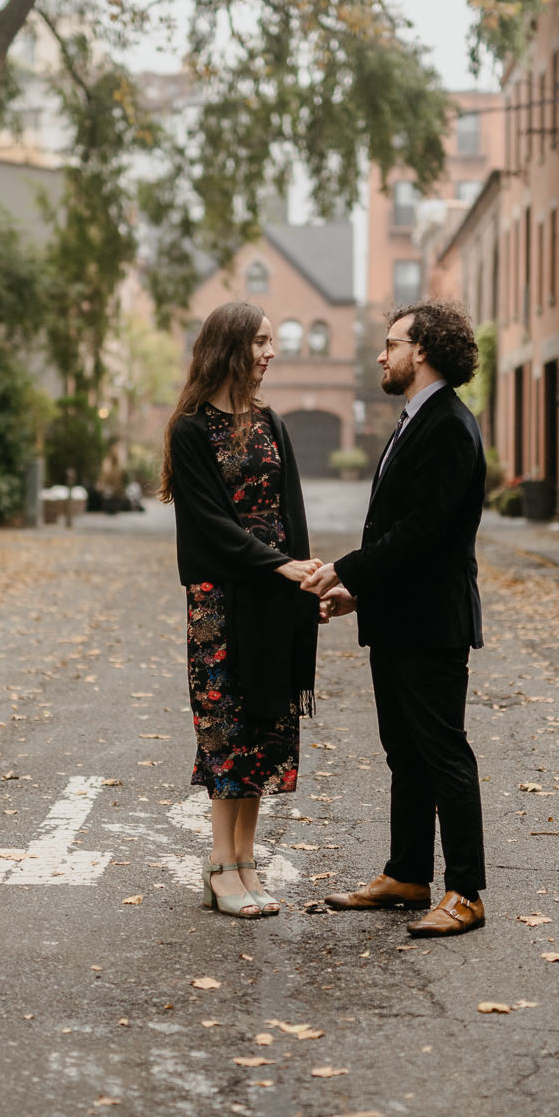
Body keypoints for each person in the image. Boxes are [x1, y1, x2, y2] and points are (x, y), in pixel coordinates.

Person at [303, 300, 489, 937]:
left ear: (425, 350)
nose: (381, 356)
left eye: (391, 344)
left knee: (443, 752)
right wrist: (364, 595)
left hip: (433, 622)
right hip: (401, 616)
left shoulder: (449, 426)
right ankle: (409, 873)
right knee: (404, 753)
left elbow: (423, 531)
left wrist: (350, 571)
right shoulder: (417, 419)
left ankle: (466, 890)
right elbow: (404, 531)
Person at [161, 301, 322, 919]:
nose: (270, 353)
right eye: (260, 341)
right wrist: (279, 565)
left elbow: (291, 514)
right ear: (229, 347)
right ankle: (219, 866)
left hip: (275, 601)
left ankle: (247, 862)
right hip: (221, 602)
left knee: (264, 730)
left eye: (271, 341)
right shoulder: (191, 431)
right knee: (226, 731)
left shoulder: (271, 423)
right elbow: (210, 525)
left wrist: (306, 581)